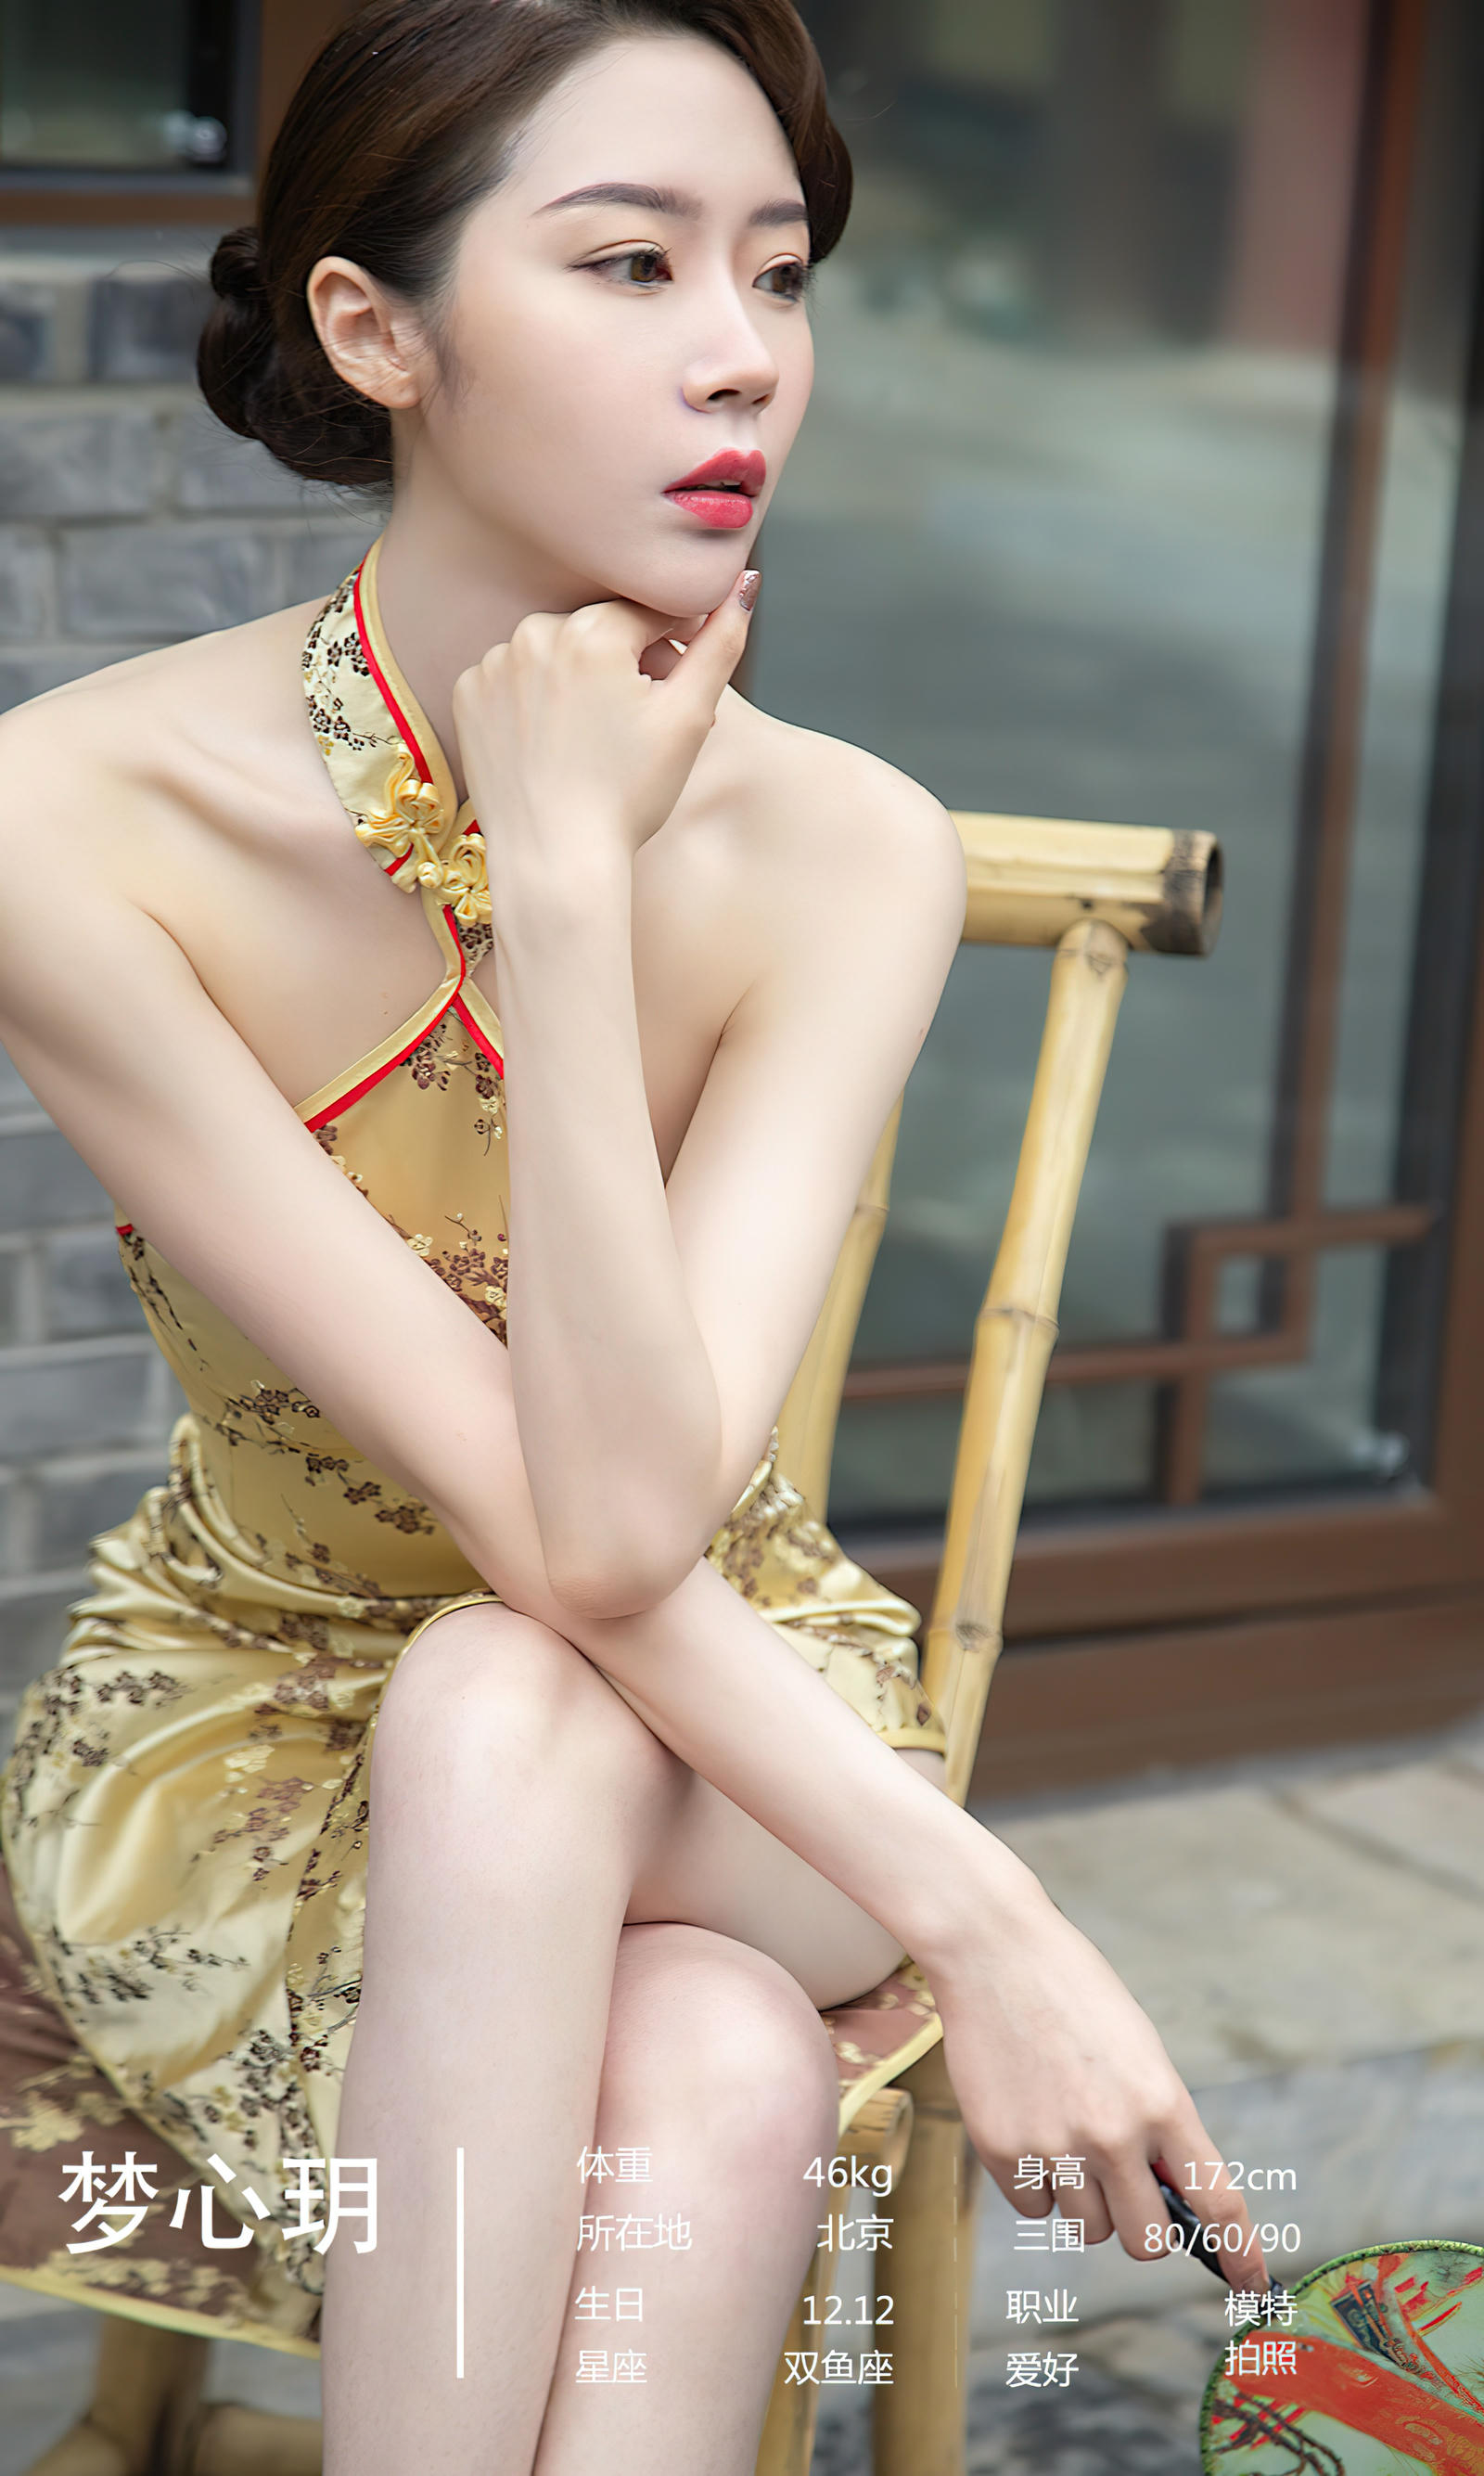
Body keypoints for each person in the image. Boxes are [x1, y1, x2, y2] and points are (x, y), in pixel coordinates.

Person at [0, 3, 1270, 2470]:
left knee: (520, 1705)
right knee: (694, 2045)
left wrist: (568, 886)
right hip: (249, 1741)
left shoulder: (847, 847)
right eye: (630, 264)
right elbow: (554, 1531)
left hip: (732, 1735)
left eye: (779, 274)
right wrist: (993, 1912)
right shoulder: (71, 822)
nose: (742, 356)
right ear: (376, 329)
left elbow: (626, 1534)